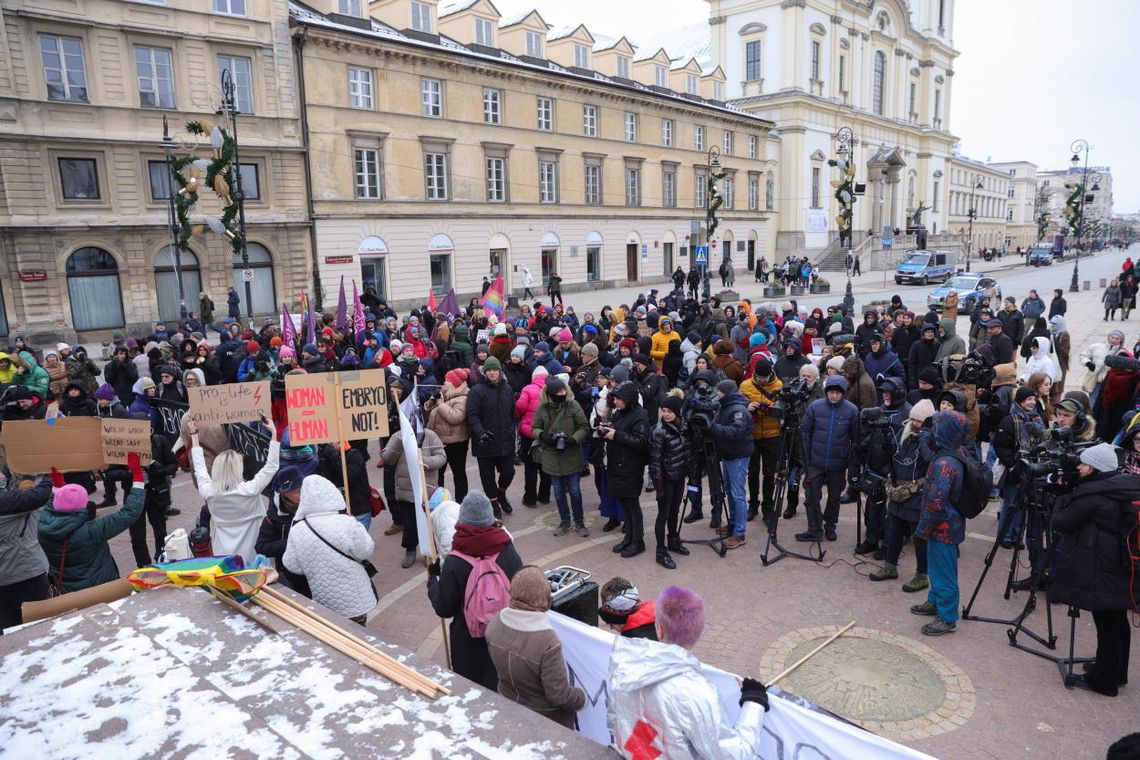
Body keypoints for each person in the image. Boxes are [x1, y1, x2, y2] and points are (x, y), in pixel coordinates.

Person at [607, 586, 767, 759]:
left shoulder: (624, 660)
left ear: (659, 629)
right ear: (698, 632)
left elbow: (615, 719)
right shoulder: (698, 692)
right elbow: (734, 756)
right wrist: (754, 701)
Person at [1049, 442, 1138, 696]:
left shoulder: (1093, 495)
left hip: (1103, 567)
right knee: (1117, 620)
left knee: (1106, 623)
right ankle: (1116, 671)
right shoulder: (1122, 485)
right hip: (1121, 565)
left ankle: (1104, 681)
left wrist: (1062, 495)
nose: (1079, 466)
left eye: (1084, 464)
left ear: (1095, 468)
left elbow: (1061, 522)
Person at [427, 491, 524, 690]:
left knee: (472, 692)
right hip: (505, 636)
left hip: (469, 644)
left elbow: (444, 608)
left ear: (462, 521)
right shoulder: (507, 549)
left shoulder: (455, 560)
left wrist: (433, 581)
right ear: (490, 518)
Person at [484, 566, 587, 729]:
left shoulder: (495, 623)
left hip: (507, 704)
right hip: (546, 719)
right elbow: (559, 696)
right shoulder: (548, 641)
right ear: (545, 598)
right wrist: (582, 698)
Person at [38, 456, 145, 594]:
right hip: (100, 590)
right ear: (82, 506)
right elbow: (129, 513)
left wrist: (58, 484)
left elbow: (52, 504)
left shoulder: (43, 526)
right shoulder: (91, 531)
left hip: (67, 592)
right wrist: (137, 476)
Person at [282, 474, 376, 624]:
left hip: (323, 596)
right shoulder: (347, 522)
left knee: (334, 630)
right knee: (357, 630)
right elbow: (366, 550)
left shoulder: (297, 529)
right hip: (354, 596)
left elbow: (292, 564)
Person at [188, 416, 281, 565]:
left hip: (223, 553)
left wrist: (194, 435)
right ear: (238, 470)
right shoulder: (250, 490)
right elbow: (272, 466)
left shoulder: (209, 492)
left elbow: (199, 468)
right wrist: (274, 434)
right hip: (252, 552)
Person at [911, 411, 971, 636]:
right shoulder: (955, 452)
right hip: (948, 524)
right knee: (937, 568)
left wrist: (922, 529)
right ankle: (935, 601)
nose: (933, 432)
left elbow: (935, 502)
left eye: (937, 428)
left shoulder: (945, 463)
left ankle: (947, 617)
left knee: (944, 573)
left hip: (942, 527)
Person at [870, 399, 935, 590]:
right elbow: (892, 455)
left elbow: (931, 460)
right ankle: (890, 566)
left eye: (919, 421)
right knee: (893, 531)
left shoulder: (931, 438)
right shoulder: (903, 431)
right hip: (897, 491)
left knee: (919, 538)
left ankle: (922, 576)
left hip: (917, 494)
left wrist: (923, 438)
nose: (914, 424)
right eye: (912, 419)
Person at [798, 376, 859, 542]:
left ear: (843, 394)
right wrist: (806, 458)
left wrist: (850, 460)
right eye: (831, 392)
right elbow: (805, 433)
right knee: (811, 497)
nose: (834, 396)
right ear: (826, 392)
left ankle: (830, 526)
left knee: (834, 498)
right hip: (815, 463)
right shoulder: (815, 407)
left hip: (838, 464)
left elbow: (856, 439)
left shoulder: (852, 410)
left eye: (838, 393)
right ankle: (814, 529)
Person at [380, 412, 446, 568]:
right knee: (409, 523)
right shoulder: (398, 436)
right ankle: (410, 550)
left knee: (428, 522)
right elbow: (387, 458)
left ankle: (430, 551)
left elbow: (441, 457)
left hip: (427, 489)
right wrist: (398, 442)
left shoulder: (430, 435)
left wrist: (426, 461)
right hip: (406, 489)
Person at [531, 375, 591, 537]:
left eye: (564, 390)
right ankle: (565, 521)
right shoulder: (542, 408)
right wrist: (543, 435)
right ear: (550, 393)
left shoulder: (573, 405)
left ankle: (579, 522)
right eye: (559, 391)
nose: (563, 393)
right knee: (558, 492)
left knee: (575, 491)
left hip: (571, 454)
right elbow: (534, 428)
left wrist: (573, 440)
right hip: (551, 456)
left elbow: (584, 426)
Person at [601, 381, 651, 558]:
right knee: (624, 502)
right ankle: (629, 537)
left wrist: (616, 434)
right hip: (618, 464)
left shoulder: (640, 416)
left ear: (628, 399)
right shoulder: (619, 413)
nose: (615, 402)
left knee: (632, 504)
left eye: (618, 399)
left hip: (631, 467)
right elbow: (616, 431)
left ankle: (638, 540)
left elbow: (641, 442)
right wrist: (606, 430)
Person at [0, 469, 53, 629]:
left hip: (6, 576)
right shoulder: (6, 502)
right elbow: (39, 496)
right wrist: (48, 471)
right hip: (23, 574)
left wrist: (27, 473)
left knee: (10, 627)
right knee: (42, 624)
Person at [466, 356, 518, 517]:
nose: (492, 373)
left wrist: (511, 432)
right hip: (485, 442)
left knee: (509, 472)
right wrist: (481, 432)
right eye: (489, 370)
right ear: (485, 372)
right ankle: (494, 503)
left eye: (495, 370)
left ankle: (501, 493)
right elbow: (472, 415)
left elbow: (512, 414)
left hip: (505, 440)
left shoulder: (507, 389)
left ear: (500, 371)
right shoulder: (476, 391)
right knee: (487, 477)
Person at [711, 379, 754, 550]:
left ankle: (739, 533)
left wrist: (713, 428)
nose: (717, 394)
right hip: (729, 455)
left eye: (719, 391)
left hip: (738, 456)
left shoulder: (738, 410)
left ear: (726, 393)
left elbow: (735, 432)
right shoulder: (725, 406)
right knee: (729, 491)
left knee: (737, 494)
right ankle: (733, 524)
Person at [649, 395, 690, 569]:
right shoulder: (659, 431)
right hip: (665, 480)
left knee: (674, 511)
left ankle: (673, 540)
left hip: (678, 477)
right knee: (663, 515)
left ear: (678, 413)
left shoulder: (682, 427)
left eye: (669, 411)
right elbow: (655, 462)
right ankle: (660, 551)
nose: (665, 414)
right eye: (664, 411)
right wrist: (659, 486)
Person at [738, 358, 782, 523]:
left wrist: (769, 407)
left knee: (769, 474)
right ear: (754, 374)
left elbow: (782, 409)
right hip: (752, 435)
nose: (762, 380)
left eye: (765, 377)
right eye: (759, 377)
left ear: (770, 374)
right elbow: (738, 407)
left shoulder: (779, 386)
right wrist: (747, 407)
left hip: (772, 435)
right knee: (753, 473)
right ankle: (753, 505)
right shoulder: (745, 386)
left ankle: (768, 507)